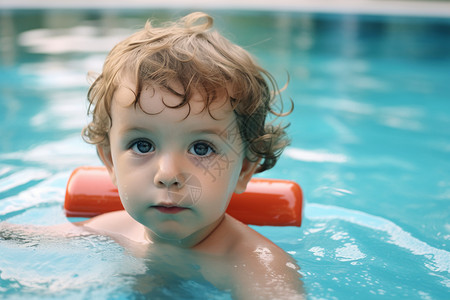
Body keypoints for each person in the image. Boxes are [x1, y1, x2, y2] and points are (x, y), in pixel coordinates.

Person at [19, 12, 304, 299]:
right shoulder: (113, 229)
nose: (168, 175)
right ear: (110, 161)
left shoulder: (256, 265)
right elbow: (24, 240)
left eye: (201, 148)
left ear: (244, 169)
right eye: (143, 145)